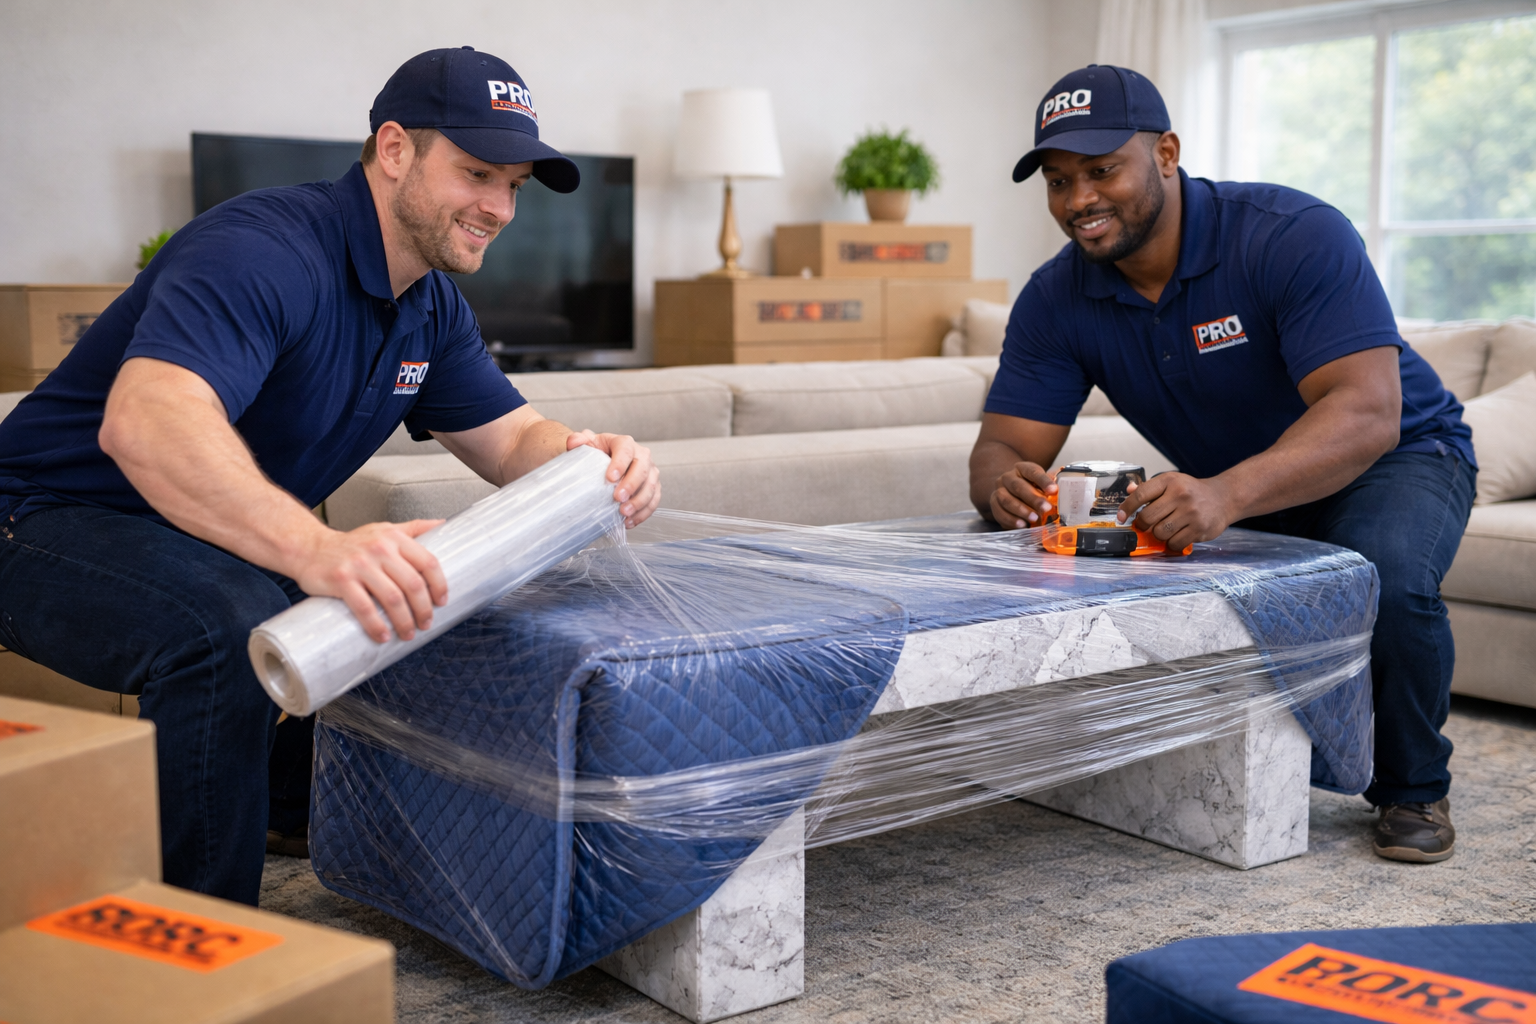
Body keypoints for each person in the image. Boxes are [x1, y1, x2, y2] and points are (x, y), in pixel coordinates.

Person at [0, 47, 660, 904]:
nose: (498, 207)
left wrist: (589, 458)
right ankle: (202, 945)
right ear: (394, 150)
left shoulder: (429, 306)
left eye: (515, 186)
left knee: (405, 588)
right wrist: (318, 551)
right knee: (227, 621)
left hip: (195, 538)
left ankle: (284, 807)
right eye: (476, 173)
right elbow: (146, 422)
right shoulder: (262, 250)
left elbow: (512, 441)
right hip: (37, 520)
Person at [971, 65, 1474, 863]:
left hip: (1396, 452)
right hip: (1238, 481)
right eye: (1060, 180)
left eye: (1103, 170)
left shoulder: (1289, 234)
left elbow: (1367, 411)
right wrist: (1004, 483)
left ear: (1166, 154)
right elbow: (1003, 446)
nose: (1078, 200)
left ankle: (1413, 788)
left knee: (1387, 575)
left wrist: (1226, 494)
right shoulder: (1055, 297)